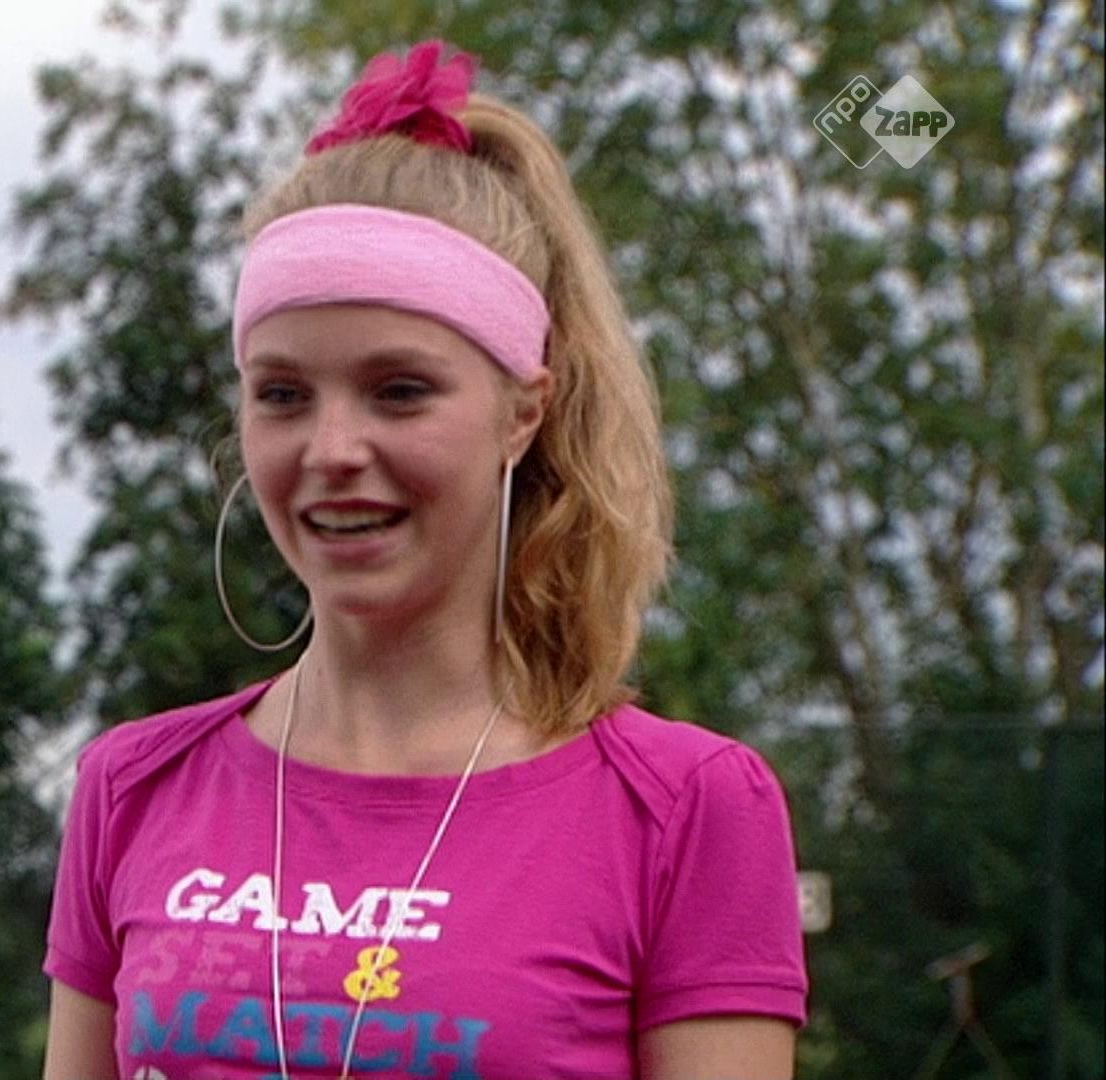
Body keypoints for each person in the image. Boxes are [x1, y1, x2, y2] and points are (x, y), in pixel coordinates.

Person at [41, 40, 808, 1080]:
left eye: (399, 391)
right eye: (282, 394)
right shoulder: (133, 788)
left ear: (522, 412)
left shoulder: (684, 809)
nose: (333, 450)